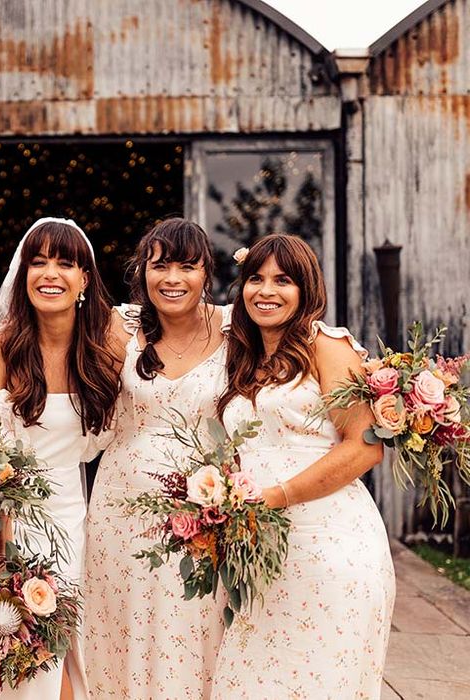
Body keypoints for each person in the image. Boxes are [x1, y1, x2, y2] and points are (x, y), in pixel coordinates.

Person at [211, 233, 395, 699]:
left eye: (283, 280)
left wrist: (277, 496)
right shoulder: (245, 355)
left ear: (306, 288)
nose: (266, 291)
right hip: (260, 548)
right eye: (256, 278)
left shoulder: (327, 346)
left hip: (329, 544)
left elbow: (365, 446)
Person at [0, 217, 121, 700]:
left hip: (77, 520)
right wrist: (0, 555)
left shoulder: (103, 349)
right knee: (30, 666)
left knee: (77, 660)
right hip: (11, 525)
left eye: (64, 263)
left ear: (84, 279)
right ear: (23, 273)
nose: (49, 273)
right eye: (38, 262)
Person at [84, 218, 229, 699]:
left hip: (205, 509)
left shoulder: (235, 327)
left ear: (206, 273)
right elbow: (82, 401)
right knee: (124, 628)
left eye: (187, 266)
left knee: (197, 624)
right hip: (122, 508)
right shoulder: (118, 327)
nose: (172, 278)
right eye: (160, 265)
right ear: (142, 271)